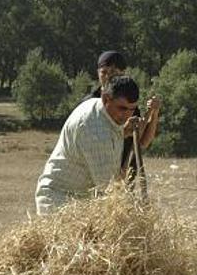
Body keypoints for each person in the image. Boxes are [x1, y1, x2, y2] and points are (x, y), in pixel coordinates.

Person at [35, 75, 141, 215]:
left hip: (79, 203)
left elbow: (110, 131)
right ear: (105, 98)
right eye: (122, 108)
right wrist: (134, 209)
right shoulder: (92, 130)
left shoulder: (99, 108)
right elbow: (109, 189)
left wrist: (122, 132)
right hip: (58, 203)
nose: (127, 115)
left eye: (132, 109)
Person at [90, 51, 161, 178]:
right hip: (97, 177)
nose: (108, 77)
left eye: (113, 72)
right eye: (104, 72)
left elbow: (142, 142)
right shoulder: (89, 105)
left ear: (122, 73)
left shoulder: (129, 104)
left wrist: (153, 113)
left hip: (125, 176)